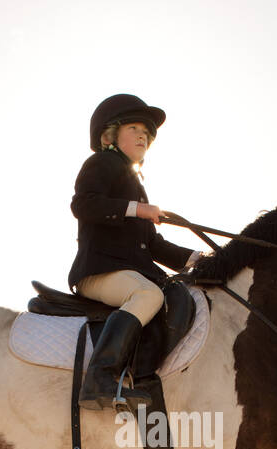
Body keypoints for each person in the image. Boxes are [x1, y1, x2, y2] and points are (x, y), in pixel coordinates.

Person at [68, 93, 204, 411]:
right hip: (99, 271)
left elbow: (153, 245)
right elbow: (82, 204)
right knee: (149, 296)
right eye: (134, 128)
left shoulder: (134, 183)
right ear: (109, 135)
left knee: (165, 293)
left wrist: (201, 260)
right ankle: (99, 380)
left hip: (126, 272)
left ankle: (139, 376)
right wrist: (136, 209)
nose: (143, 135)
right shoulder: (102, 163)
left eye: (147, 132)